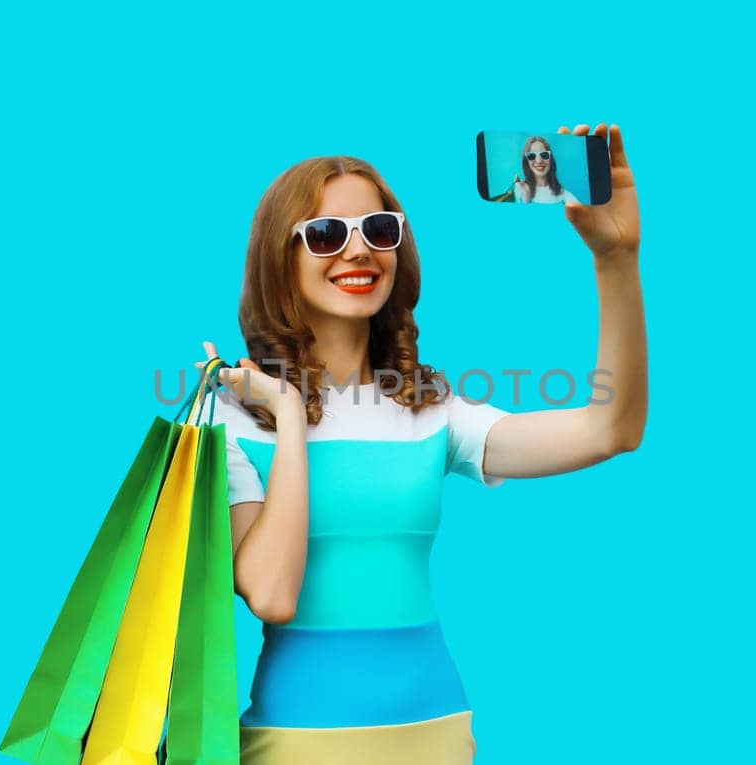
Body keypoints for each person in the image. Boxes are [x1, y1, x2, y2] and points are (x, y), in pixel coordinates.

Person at [194, 123, 646, 764]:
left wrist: (615, 261)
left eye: (379, 231)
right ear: (280, 258)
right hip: (299, 741)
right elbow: (270, 594)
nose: (358, 253)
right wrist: (289, 414)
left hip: (437, 730)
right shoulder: (232, 420)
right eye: (325, 235)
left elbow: (612, 430)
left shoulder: (431, 411)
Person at [510, 136, 580, 205]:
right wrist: (525, 200)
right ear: (526, 162)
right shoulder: (519, 190)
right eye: (531, 156)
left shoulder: (564, 195)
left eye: (544, 155)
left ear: (550, 159)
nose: (539, 161)